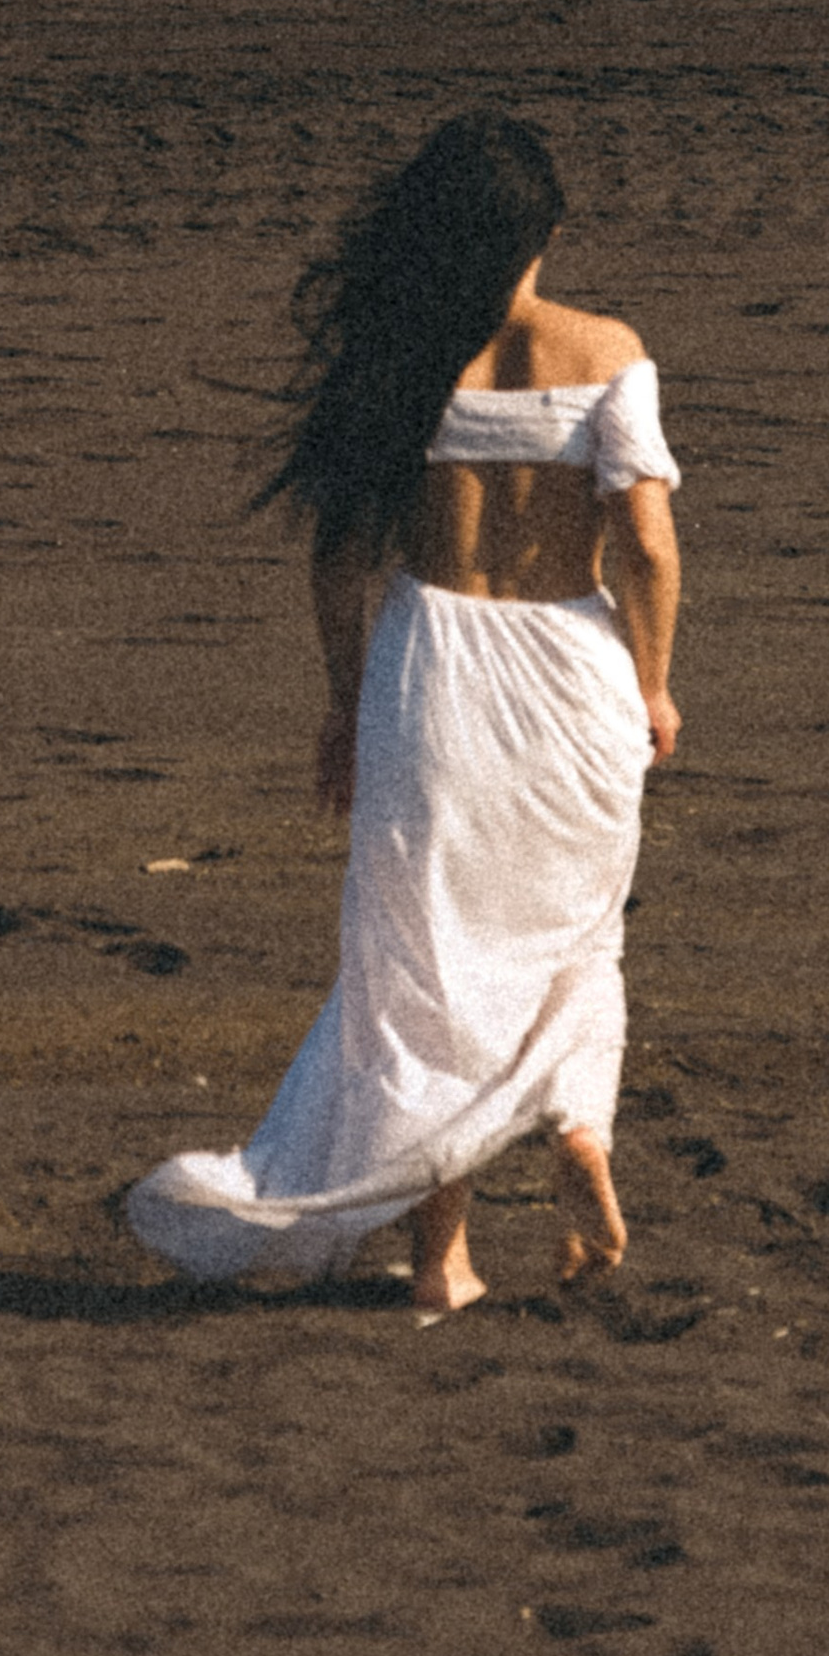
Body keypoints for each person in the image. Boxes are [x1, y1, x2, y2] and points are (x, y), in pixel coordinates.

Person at [125, 110, 681, 1317]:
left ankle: (441, 1260)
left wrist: (340, 703)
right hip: (571, 675)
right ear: (545, 234)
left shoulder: (400, 362)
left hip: (434, 674)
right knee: (573, 937)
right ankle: (576, 1123)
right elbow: (642, 536)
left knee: (418, 971)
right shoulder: (607, 350)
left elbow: (339, 562)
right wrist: (652, 680)